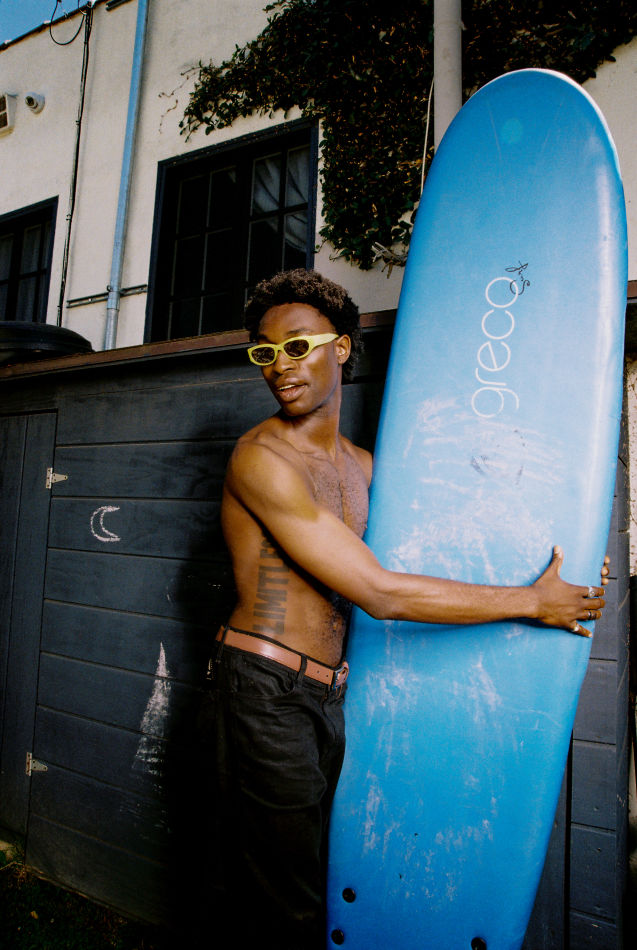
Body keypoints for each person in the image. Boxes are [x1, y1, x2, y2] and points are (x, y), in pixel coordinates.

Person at [200, 268, 608, 949]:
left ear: (341, 347)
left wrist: (572, 565)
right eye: (265, 352)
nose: (279, 365)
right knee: (284, 901)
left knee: (315, 876)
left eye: (296, 346)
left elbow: (455, 539)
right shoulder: (261, 459)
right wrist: (532, 603)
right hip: (262, 690)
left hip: (329, 692)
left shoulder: (363, 466)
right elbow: (379, 591)